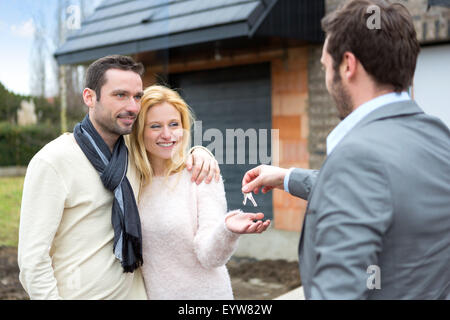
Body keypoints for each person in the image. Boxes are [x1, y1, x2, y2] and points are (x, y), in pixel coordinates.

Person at [242, 0, 450, 299]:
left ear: (348, 65)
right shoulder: (439, 136)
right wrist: (286, 177)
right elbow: (382, 191)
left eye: (326, 66)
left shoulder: (357, 158)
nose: (327, 79)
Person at [18, 55, 220, 300]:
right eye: (120, 95)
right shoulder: (54, 161)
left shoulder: (134, 152)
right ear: (89, 97)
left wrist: (200, 152)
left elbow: (170, 153)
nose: (133, 106)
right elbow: (32, 260)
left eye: (137, 96)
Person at [126, 85, 271, 299]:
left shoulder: (200, 175)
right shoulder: (131, 181)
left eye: (174, 124)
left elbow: (210, 257)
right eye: (155, 126)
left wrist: (228, 230)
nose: (167, 134)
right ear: (139, 131)